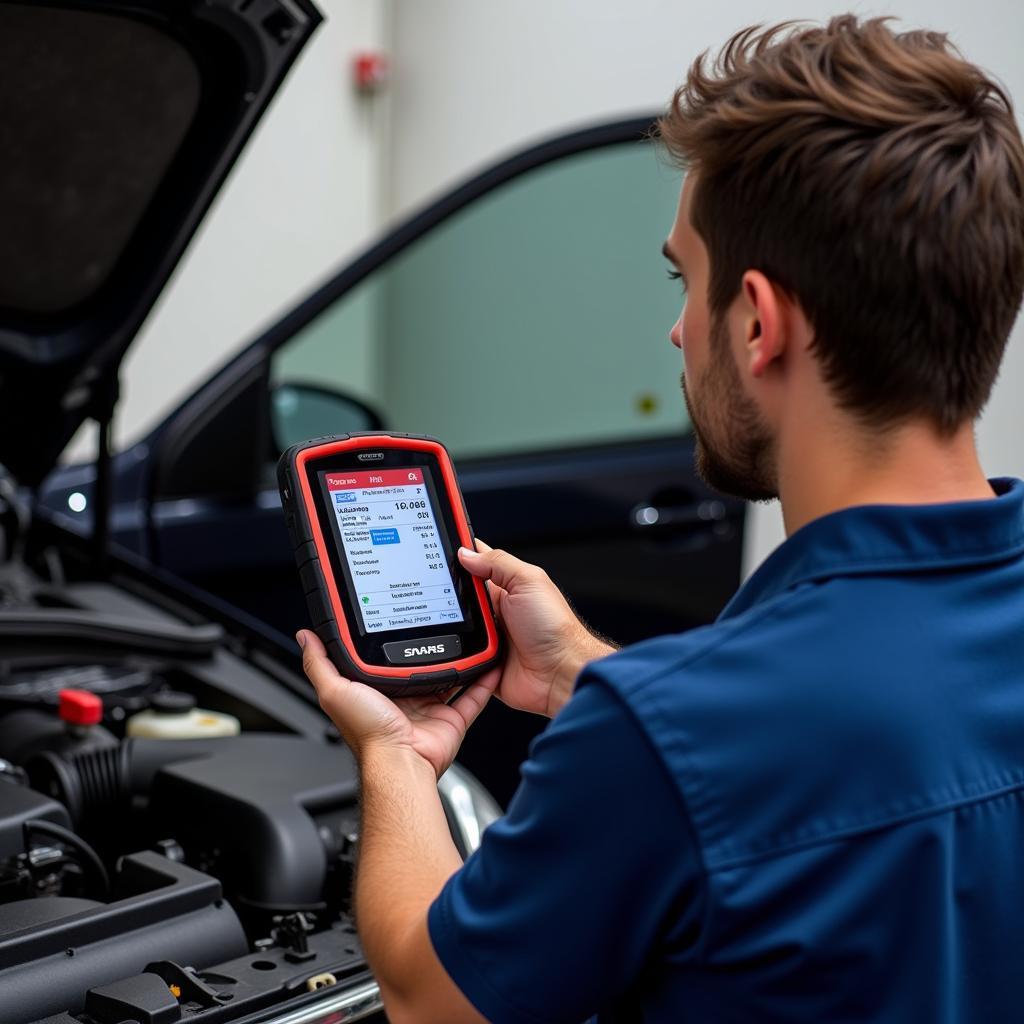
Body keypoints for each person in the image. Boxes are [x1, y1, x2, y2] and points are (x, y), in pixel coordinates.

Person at [297, 15, 1024, 1023]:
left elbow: (429, 997)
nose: (679, 328)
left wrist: (395, 754)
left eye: (686, 279)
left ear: (759, 323)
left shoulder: (666, 733)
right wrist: (583, 676)